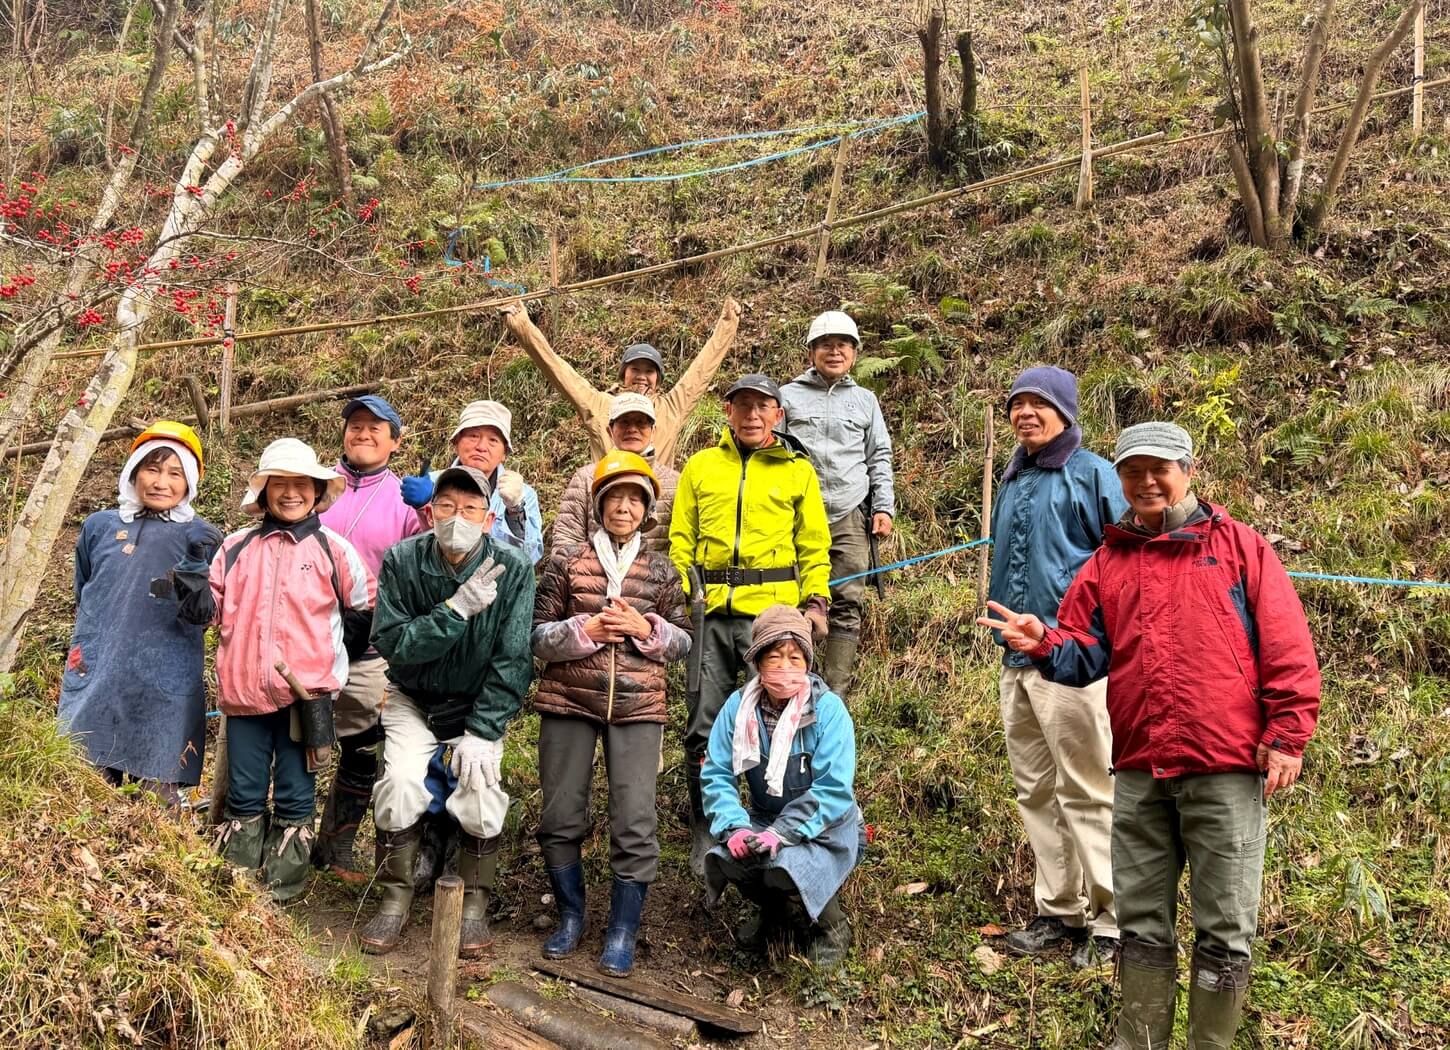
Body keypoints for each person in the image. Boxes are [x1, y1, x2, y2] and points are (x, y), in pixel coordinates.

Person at [977, 421, 1321, 1049]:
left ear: (1188, 471)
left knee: (1225, 927)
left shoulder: (1239, 547)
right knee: (1140, 924)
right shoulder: (1107, 562)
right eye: (1133, 471)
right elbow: (1084, 652)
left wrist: (1287, 733)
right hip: (1139, 768)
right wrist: (1045, 641)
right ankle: (1139, 1042)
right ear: (1119, 479)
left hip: (1224, 766)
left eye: (1159, 469)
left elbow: (1287, 645)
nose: (1146, 482)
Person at [180, 438, 374, 902]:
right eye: (279, 484)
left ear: (316, 490)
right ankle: (238, 889)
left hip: (305, 700)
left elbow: (363, 609)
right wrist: (191, 575)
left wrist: (330, 661)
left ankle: (282, 891)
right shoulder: (235, 547)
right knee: (244, 791)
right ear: (264, 492)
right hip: (244, 692)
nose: (291, 493)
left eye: (301, 484)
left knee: (295, 790)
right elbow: (206, 613)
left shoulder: (334, 550)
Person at [984, 366, 1128, 968]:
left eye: (1038, 404)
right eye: (1017, 404)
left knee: (1089, 790)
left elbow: (1127, 561)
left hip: (1075, 662)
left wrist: (1094, 637)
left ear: (1065, 412)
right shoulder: (1014, 477)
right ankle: (1059, 910)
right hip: (1017, 660)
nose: (1025, 414)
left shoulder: (1093, 474)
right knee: (1035, 790)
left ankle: (1114, 922)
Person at [361, 465, 535, 957]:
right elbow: (394, 644)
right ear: (431, 512)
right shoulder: (403, 560)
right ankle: (395, 897)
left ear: (488, 518)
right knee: (399, 784)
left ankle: (473, 906)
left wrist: (484, 729)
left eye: (471, 509)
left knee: (481, 792)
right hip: (413, 698)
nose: (458, 517)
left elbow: (513, 657)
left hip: (476, 704)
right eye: (447, 507)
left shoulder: (513, 567)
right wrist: (454, 610)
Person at [532, 452, 692, 977]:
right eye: (615, 497)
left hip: (638, 706)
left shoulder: (663, 570)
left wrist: (648, 631)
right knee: (560, 815)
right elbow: (536, 636)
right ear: (599, 505)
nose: (624, 507)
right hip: (568, 700)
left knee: (635, 820)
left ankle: (622, 930)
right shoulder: (567, 563)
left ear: (647, 510)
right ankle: (571, 916)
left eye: (634, 499)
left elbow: (683, 640)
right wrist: (586, 631)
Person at [670, 373, 832, 876]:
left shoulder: (797, 470)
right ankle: (709, 824)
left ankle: (777, 823)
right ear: (729, 411)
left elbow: (814, 543)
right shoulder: (701, 466)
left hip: (772, 617)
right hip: (711, 615)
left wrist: (816, 602)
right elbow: (680, 539)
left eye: (763, 407)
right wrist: (687, 592)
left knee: (780, 719)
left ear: (778, 415)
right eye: (743, 405)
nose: (753, 415)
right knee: (703, 723)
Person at [58, 421, 221, 805]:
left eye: (175, 473)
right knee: (82, 792)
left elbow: (204, 615)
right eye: (152, 469)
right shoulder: (99, 527)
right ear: (133, 472)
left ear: (190, 481)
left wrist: (195, 565)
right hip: (97, 671)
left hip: (166, 681)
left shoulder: (201, 536)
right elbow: (85, 592)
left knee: (156, 802)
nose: (161, 482)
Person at [700, 605, 863, 970]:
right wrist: (735, 827)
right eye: (775, 657)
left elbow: (833, 790)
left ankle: (832, 927)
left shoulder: (829, 710)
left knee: (784, 864)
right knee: (728, 858)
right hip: (764, 817)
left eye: (794, 657)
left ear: (807, 662)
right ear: (757, 660)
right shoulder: (738, 707)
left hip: (827, 825)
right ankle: (775, 914)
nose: (785, 667)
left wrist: (782, 833)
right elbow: (717, 774)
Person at [313, 395, 424, 881]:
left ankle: (335, 849)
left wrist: (427, 509)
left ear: (395, 442)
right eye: (355, 425)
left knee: (362, 746)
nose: (363, 433)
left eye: (375, 428)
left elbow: (429, 557)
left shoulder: (404, 499)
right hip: (306, 640)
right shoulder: (315, 485)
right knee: (293, 743)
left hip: (370, 646)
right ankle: (279, 843)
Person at [781, 310, 895, 697]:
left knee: (848, 600)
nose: (835, 352)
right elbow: (771, 453)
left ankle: (834, 696)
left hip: (850, 512)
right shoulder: (787, 396)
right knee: (796, 596)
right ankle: (794, 690)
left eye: (843, 345)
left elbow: (879, 456)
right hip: (796, 515)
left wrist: (883, 507)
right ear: (811, 352)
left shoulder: (864, 400)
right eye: (826, 345)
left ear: (854, 353)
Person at [497, 297, 742, 466]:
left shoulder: (671, 409)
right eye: (635, 369)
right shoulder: (600, 404)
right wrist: (522, 326)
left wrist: (728, 324)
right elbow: (558, 370)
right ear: (623, 374)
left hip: (658, 510)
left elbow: (701, 371)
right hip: (608, 507)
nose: (641, 376)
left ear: (658, 380)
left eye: (649, 371)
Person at [399, 400, 544, 566]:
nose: (481, 447)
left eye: (493, 440)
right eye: (473, 436)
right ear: (456, 442)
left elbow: (529, 558)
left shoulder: (523, 494)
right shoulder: (428, 485)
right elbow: (411, 554)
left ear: (504, 453)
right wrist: (424, 508)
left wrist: (515, 510)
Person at [550, 392, 679, 557]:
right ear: (610, 430)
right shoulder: (586, 478)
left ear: (653, 431)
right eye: (624, 422)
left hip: (656, 572)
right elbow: (566, 540)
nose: (632, 429)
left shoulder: (674, 482)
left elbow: (680, 546)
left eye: (641, 423)